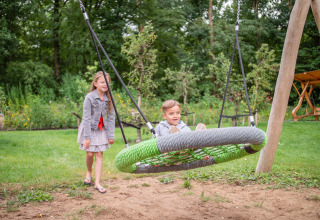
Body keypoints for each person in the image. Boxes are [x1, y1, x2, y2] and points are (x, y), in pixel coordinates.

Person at [77, 71, 115, 194]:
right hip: (89, 129)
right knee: (89, 154)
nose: (105, 85)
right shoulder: (89, 97)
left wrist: (110, 135)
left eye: (107, 82)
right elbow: (86, 118)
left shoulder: (109, 99)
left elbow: (111, 117)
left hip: (101, 129)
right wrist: (87, 137)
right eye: (102, 82)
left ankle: (97, 183)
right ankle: (89, 172)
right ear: (95, 83)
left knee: (99, 154)